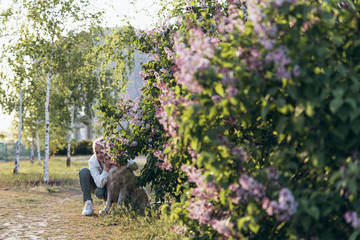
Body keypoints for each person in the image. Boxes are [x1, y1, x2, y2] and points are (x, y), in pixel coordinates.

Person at [79, 138, 115, 216]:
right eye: (96, 152)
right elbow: (99, 184)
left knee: (99, 191)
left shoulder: (113, 157)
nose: (99, 155)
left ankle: (113, 204)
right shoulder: (92, 161)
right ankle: (88, 203)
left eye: (101, 152)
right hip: (100, 186)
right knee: (84, 171)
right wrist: (106, 169)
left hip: (113, 188)